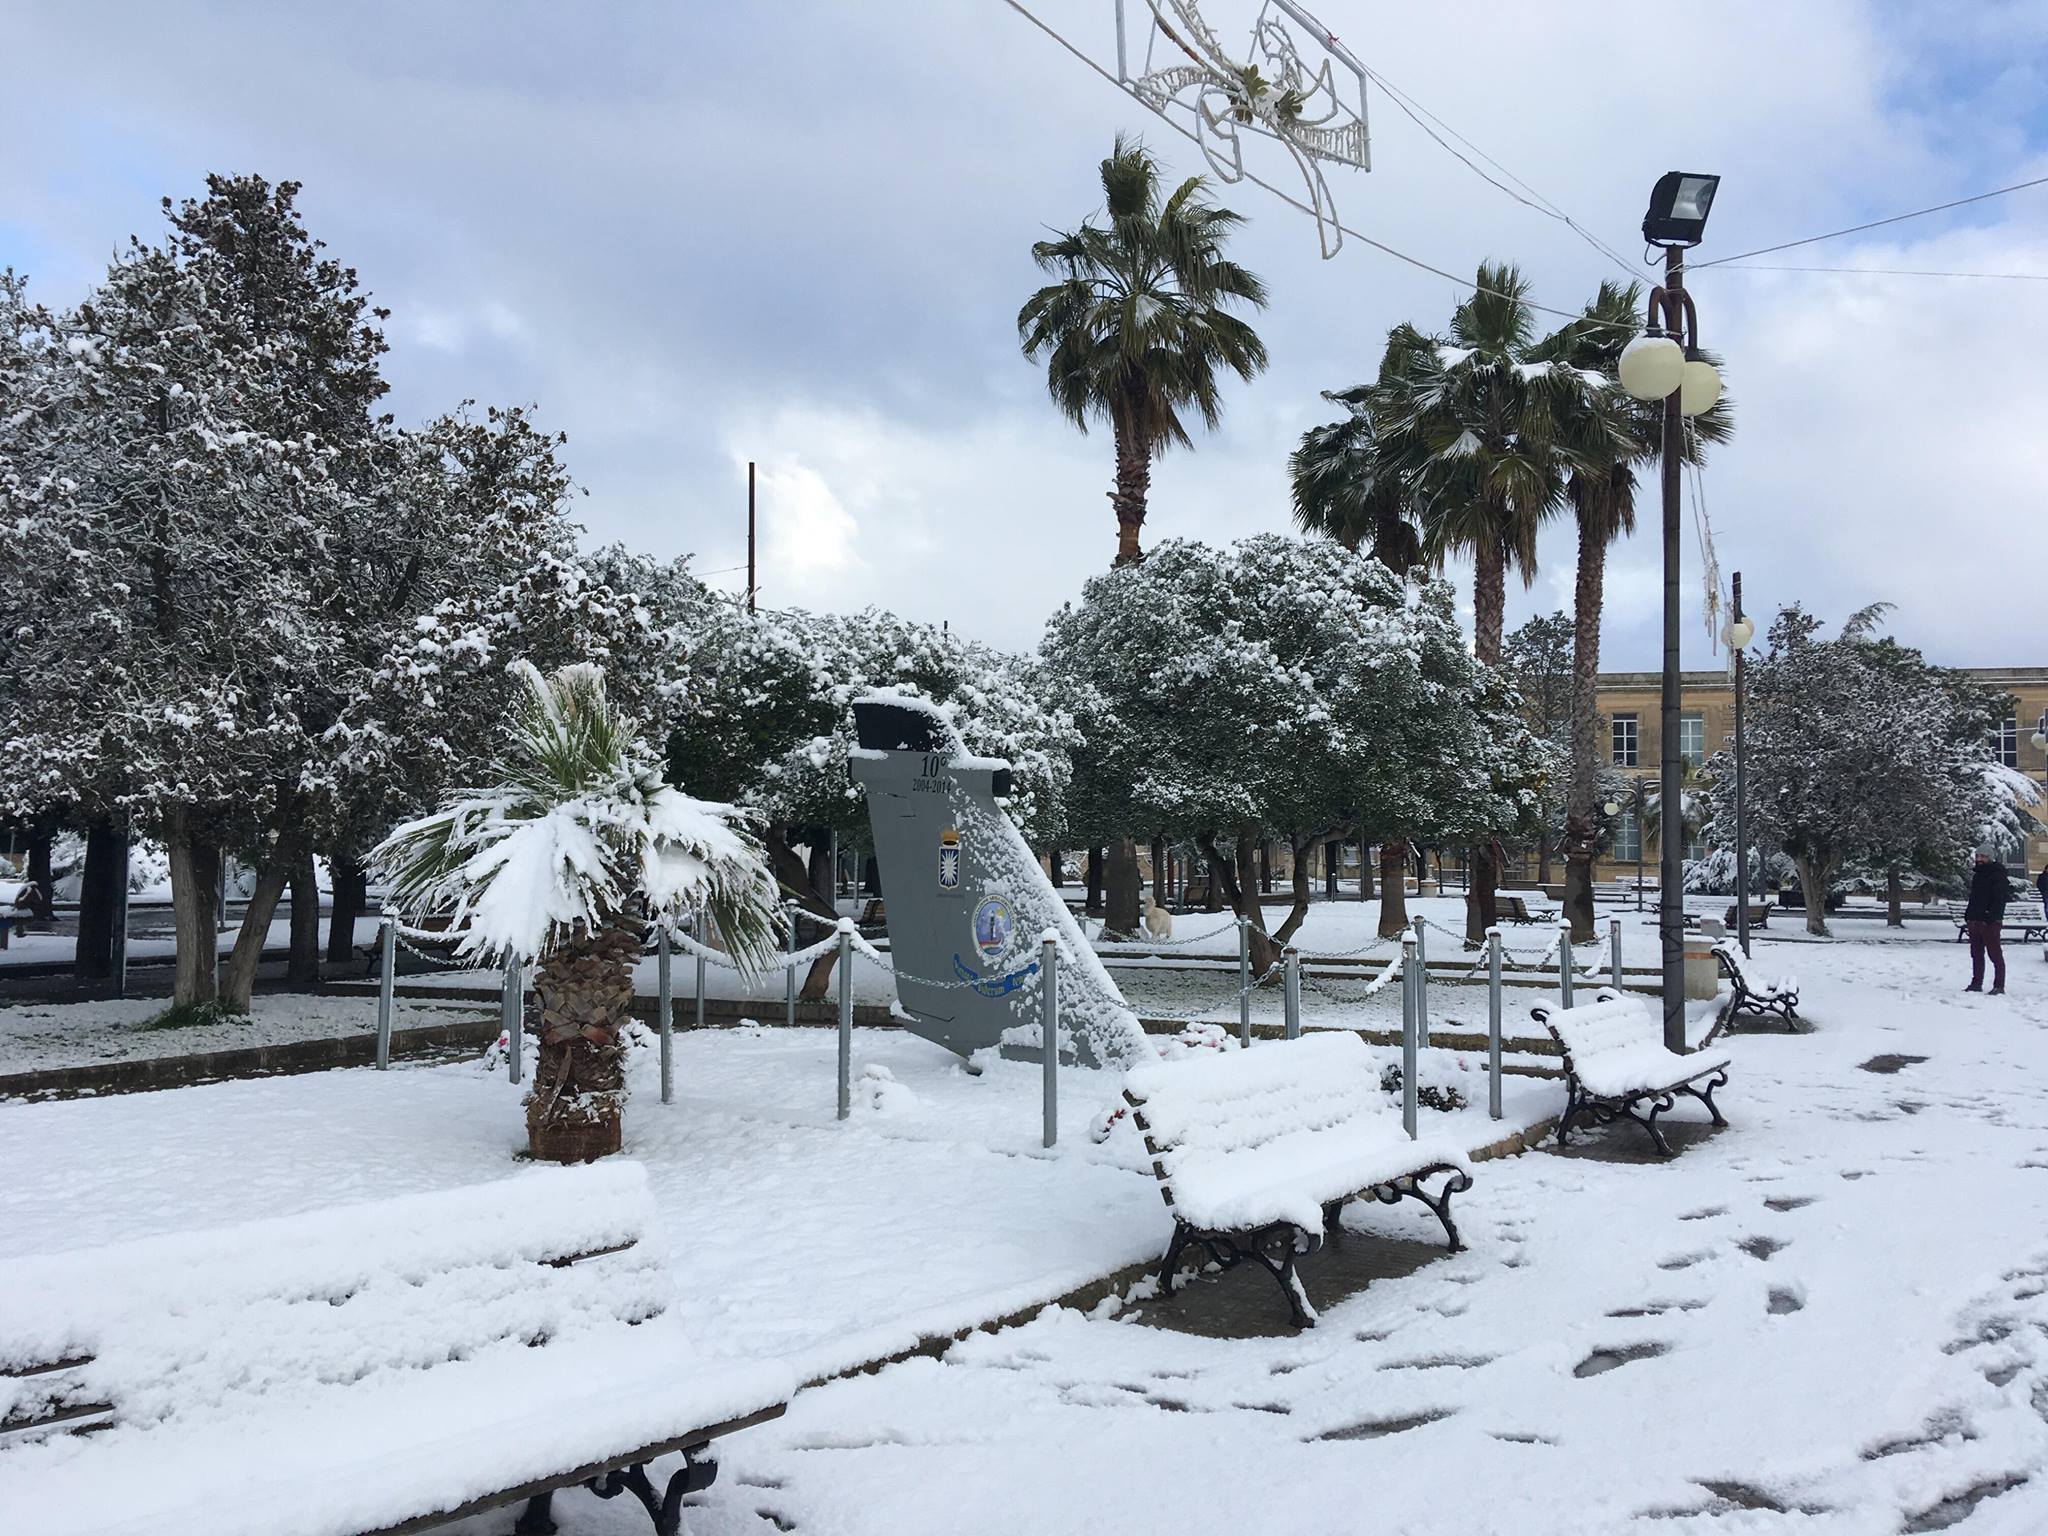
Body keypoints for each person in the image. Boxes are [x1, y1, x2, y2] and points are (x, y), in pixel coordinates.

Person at [1964, 844, 2009, 994]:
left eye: (1983, 856)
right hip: (1974, 920)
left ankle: (1999, 985)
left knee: (1994, 953)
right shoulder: (1978, 875)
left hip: (1989, 921)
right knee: (1976, 953)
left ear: (1990, 857)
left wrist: (1991, 916)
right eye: (1978, 856)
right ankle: (1976, 982)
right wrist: (1969, 915)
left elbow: (1999, 898)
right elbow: (1974, 898)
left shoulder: (1997, 874)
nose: (1979, 859)